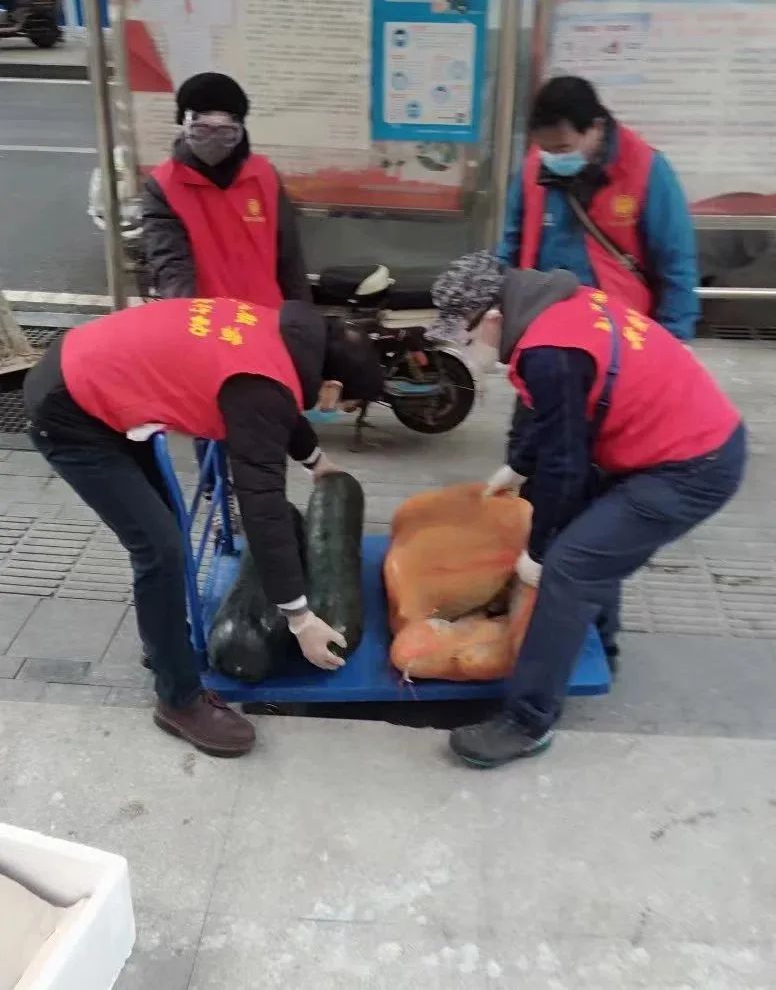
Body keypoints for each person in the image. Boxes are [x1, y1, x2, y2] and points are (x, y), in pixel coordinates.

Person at [23, 297, 383, 759]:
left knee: (166, 531)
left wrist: (316, 461)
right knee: (161, 549)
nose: (340, 410)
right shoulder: (262, 386)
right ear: (331, 386)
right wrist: (300, 618)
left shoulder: (284, 339)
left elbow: (279, 405)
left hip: (93, 374)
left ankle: (163, 645)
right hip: (69, 410)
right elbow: (263, 506)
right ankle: (179, 701)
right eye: (346, 404)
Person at [429, 252, 745, 769]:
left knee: (572, 564)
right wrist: (519, 464)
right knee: (589, 539)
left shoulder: (550, 349)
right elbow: (557, 414)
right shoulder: (554, 308)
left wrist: (538, 553)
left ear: (492, 318)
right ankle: (595, 647)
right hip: (670, 445)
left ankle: (528, 721)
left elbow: (566, 467)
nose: (464, 348)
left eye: (463, 335)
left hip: (692, 466)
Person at [498, 76, 699, 341]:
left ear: (596, 128)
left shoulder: (646, 169)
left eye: (563, 148)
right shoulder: (533, 167)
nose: (552, 158)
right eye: (545, 149)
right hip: (541, 325)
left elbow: (675, 261)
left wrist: (676, 336)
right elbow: (510, 245)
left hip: (618, 332)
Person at [142, 72, 310, 306]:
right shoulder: (164, 186)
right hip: (205, 320)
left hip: (265, 317)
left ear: (239, 130)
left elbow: (289, 260)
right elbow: (171, 265)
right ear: (185, 126)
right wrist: (186, 316)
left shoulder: (264, 177)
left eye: (225, 132)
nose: (213, 140)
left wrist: (301, 313)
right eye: (202, 130)